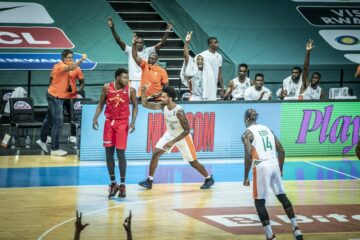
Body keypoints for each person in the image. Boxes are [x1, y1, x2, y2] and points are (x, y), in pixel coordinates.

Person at [242, 109, 303, 240]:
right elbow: (281, 150)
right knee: (282, 196)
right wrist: (280, 169)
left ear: (247, 120)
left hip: (261, 166)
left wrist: (246, 177)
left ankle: (270, 235)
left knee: (259, 202)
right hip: (274, 163)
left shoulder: (247, 133)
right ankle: (296, 228)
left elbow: (248, 157)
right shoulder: (268, 129)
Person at [138, 85, 214, 190]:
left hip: (183, 137)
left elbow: (187, 130)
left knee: (193, 162)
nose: (161, 98)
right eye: (162, 96)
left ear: (170, 98)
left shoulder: (179, 112)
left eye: (164, 97)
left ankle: (208, 178)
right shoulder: (162, 106)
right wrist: (143, 92)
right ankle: (149, 180)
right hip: (170, 134)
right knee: (156, 152)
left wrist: (172, 142)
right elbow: (145, 104)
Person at [92, 68, 138, 198]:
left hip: (122, 123)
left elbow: (135, 106)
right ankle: (113, 183)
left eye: (127, 78)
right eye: (124, 77)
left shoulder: (131, 90)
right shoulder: (107, 88)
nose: (126, 80)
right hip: (109, 122)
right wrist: (95, 118)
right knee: (108, 153)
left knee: (120, 153)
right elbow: (101, 104)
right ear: (117, 77)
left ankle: (123, 185)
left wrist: (133, 122)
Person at [36, 50, 86, 156]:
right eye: (69, 58)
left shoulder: (76, 68)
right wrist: (81, 60)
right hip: (55, 97)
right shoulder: (59, 66)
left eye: (72, 58)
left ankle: (42, 140)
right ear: (63, 59)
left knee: (49, 118)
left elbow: (81, 81)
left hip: (64, 97)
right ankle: (55, 149)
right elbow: (68, 69)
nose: (71, 59)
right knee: (58, 122)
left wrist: (76, 91)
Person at [108, 17, 173, 96]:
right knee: (131, 101)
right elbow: (119, 41)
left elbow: (162, 43)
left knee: (144, 102)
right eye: (138, 42)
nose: (139, 44)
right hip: (132, 81)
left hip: (145, 81)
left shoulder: (148, 51)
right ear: (135, 42)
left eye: (141, 42)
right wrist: (112, 28)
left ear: (143, 44)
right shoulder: (130, 49)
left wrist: (167, 31)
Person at [180, 31, 217, 101]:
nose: (200, 61)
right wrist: (187, 43)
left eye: (201, 59)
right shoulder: (193, 70)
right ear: (196, 62)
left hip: (205, 98)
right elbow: (186, 56)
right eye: (198, 59)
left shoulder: (209, 73)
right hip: (194, 97)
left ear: (204, 62)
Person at [132, 34, 169, 100]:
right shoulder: (144, 65)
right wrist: (134, 44)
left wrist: (159, 94)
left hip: (156, 99)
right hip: (143, 98)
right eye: (149, 58)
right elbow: (135, 56)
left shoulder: (162, 71)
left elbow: (166, 87)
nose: (150, 59)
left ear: (156, 60)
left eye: (152, 58)